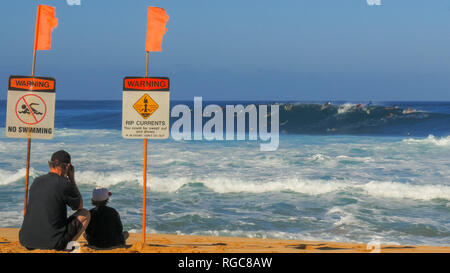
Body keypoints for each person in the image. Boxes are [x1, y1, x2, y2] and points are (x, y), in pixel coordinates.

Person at [19, 150, 90, 251]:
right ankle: (67, 247)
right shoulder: (64, 184)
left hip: (26, 240)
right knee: (85, 214)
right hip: (53, 242)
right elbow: (79, 207)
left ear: (51, 164)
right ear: (68, 166)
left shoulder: (36, 181)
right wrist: (72, 179)